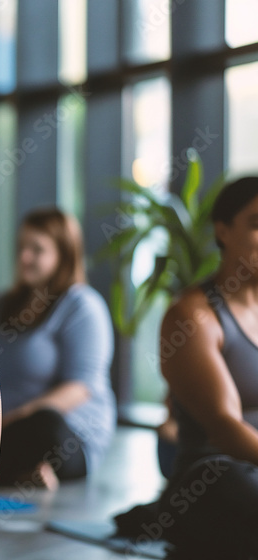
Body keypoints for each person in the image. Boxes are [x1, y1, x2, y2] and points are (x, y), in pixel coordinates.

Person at [114, 177, 258, 558]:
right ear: (223, 231)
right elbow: (226, 430)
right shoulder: (192, 317)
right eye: (257, 223)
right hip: (212, 475)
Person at [0, 208, 115, 489]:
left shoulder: (82, 306)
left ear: (63, 255)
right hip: (1, 429)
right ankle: (19, 475)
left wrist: (9, 421)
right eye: (21, 248)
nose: (24, 257)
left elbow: (80, 388)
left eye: (37, 250)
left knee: (45, 426)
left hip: (63, 433)